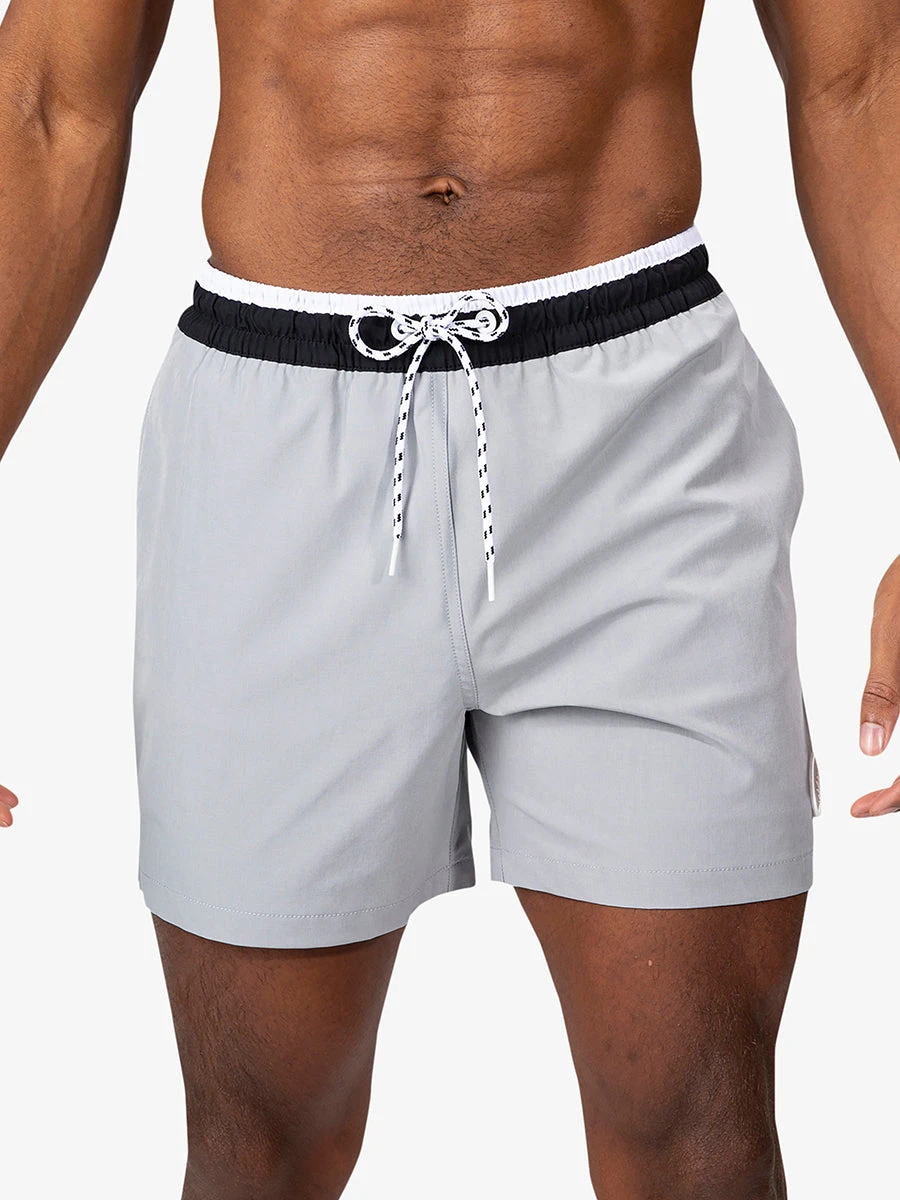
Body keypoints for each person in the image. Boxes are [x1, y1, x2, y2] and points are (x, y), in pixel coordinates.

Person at [1, 1, 898, 1197]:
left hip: (640, 432)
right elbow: (50, 104)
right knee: (258, 1147)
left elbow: (860, 79)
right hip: (277, 432)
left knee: (701, 1137)